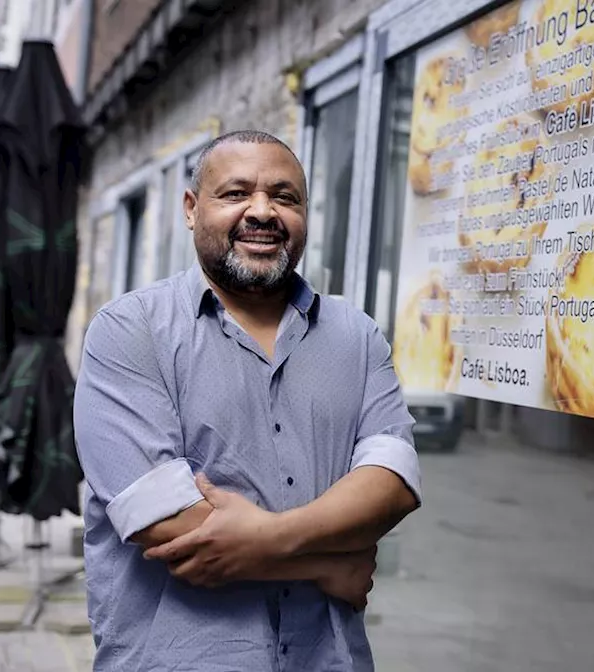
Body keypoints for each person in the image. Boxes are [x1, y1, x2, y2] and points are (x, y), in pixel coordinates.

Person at [73, 130, 421, 672]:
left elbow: (392, 483)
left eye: (285, 197)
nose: (263, 212)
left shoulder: (358, 335)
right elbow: (160, 520)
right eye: (236, 194)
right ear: (192, 209)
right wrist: (328, 564)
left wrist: (270, 539)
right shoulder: (129, 331)